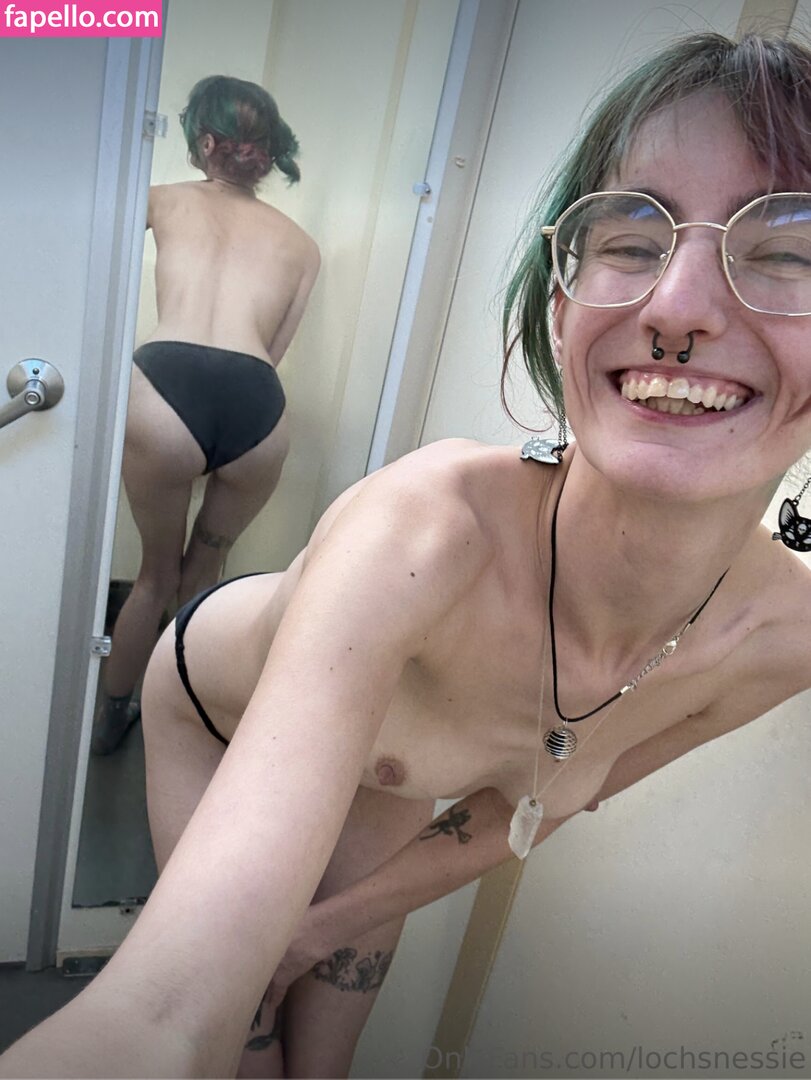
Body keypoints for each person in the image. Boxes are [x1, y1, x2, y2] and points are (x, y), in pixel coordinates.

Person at [3, 30, 811, 1080]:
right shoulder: (419, 533)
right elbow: (161, 1015)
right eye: (629, 240)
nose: (677, 310)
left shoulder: (780, 642)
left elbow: (529, 808)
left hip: (393, 748)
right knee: (240, 1054)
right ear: (560, 304)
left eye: (789, 253)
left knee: (323, 1059)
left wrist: (315, 932)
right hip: (217, 699)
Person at [91, 75, 320, 754]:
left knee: (154, 575)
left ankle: (110, 721)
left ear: (204, 140)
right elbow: (273, 352)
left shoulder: (157, 199)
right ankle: (183, 728)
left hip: (166, 385)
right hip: (256, 402)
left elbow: (89, 265)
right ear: (268, 151)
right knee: (203, 574)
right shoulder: (302, 245)